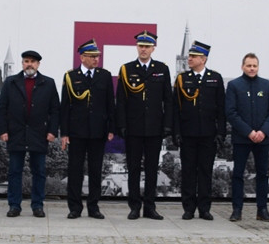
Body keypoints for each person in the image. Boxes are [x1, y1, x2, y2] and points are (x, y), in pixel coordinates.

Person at [116, 30, 172, 220]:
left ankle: (150, 207)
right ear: (137, 47)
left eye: (147, 46)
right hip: (133, 127)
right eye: (141, 46)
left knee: (151, 168)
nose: (144, 49)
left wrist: (167, 124)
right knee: (133, 168)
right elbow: (121, 100)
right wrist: (122, 124)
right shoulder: (127, 69)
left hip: (155, 127)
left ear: (153, 48)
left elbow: (168, 100)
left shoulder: (162, 69)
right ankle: (134, 206)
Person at [0, 50, 59, 217]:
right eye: (26, 61)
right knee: (14, 171)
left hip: (39, 134)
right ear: (22, 63)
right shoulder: (11, 82)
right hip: (16, 133)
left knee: (39, 172)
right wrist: (3, 130)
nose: (29, 64)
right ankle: (14, 205)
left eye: (32, 61)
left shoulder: (48, 83)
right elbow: (1, 108)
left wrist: (52, 131)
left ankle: (37, 205)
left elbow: (55, 110)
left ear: (38, 64)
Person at [60, 39, 114, 219]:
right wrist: (64, 132)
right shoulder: (70, 76)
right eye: (92, 56)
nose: (96, 59)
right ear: (82, 57)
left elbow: (110, 104)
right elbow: (65, 106)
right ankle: (75, 207)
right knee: (75, 170)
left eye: (97, 56)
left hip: (98, 131)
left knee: (95, 170)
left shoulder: (104, 76)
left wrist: (111, 128)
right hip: (77, 131)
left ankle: (93, 206)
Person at [173, 40, 226, 221]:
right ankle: (188, 208)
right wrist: (176, 132)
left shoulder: (215, 78)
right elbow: (176, 108)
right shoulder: (182, 79)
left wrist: (221, 133)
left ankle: (204, 208)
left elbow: (221, 108)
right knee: (188, 172)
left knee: (205, 172)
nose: (189, 59)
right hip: (187, 134)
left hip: (208, 134)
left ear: (203, 59)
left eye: (194, 56)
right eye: (189, 56)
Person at [225, 53, 269, 222]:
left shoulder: (267, 85)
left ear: (258, 67)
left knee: (262, 174)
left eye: (254, 65)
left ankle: (262, 209)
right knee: (238, 174)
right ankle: (237, 209)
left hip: (262, 139)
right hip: (242, 138)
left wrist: (263, 131)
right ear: (242, 67)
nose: (252, 68)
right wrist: (249, 132)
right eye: (249, 65)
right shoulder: (234, 85)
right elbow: (231, 113)